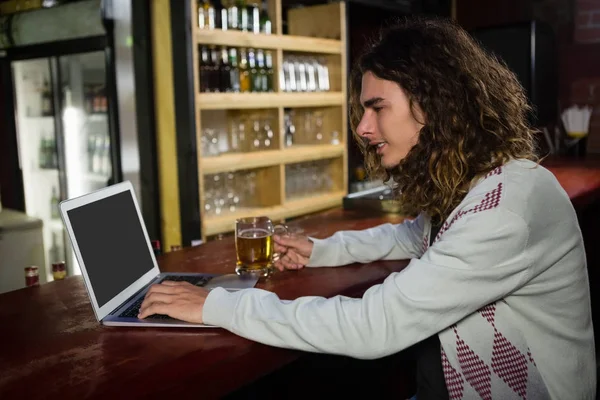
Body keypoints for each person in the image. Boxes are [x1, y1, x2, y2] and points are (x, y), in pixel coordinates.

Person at [138, 17, 596, 399]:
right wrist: (319, 250)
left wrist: (220, 305)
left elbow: (374, 327)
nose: (362, 127)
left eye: (377, 107)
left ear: (436, 104)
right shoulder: (479, 185)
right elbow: (410, 235)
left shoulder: (506, 209)